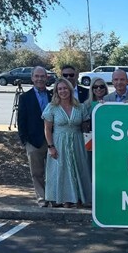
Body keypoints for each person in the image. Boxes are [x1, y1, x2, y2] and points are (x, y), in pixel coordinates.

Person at [43, 78, 92, 208]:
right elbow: (47, 129)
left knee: (79, 169)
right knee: (62, 170)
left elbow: (86, 126)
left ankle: (80, 198)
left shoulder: (80, 107)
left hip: (77, 142)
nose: (63, 91)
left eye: (65, 88)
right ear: (56, 91)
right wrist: (51, 146)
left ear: (70, 90)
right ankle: (65, 199)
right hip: (59, 142)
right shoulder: (52, 107)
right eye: (60, 89)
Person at [17, 66, 52, 207]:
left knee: (52, 172)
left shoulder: (53, 95)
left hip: (51, 140)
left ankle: (52, 197)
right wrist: (24, 140)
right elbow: (21, 120)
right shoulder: (25, 97)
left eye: (42, 76)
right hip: (33, 141)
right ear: (32, 78)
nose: (39, 79)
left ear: (46, 78)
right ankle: (41, 198)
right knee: (37, 172)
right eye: (37, 76)